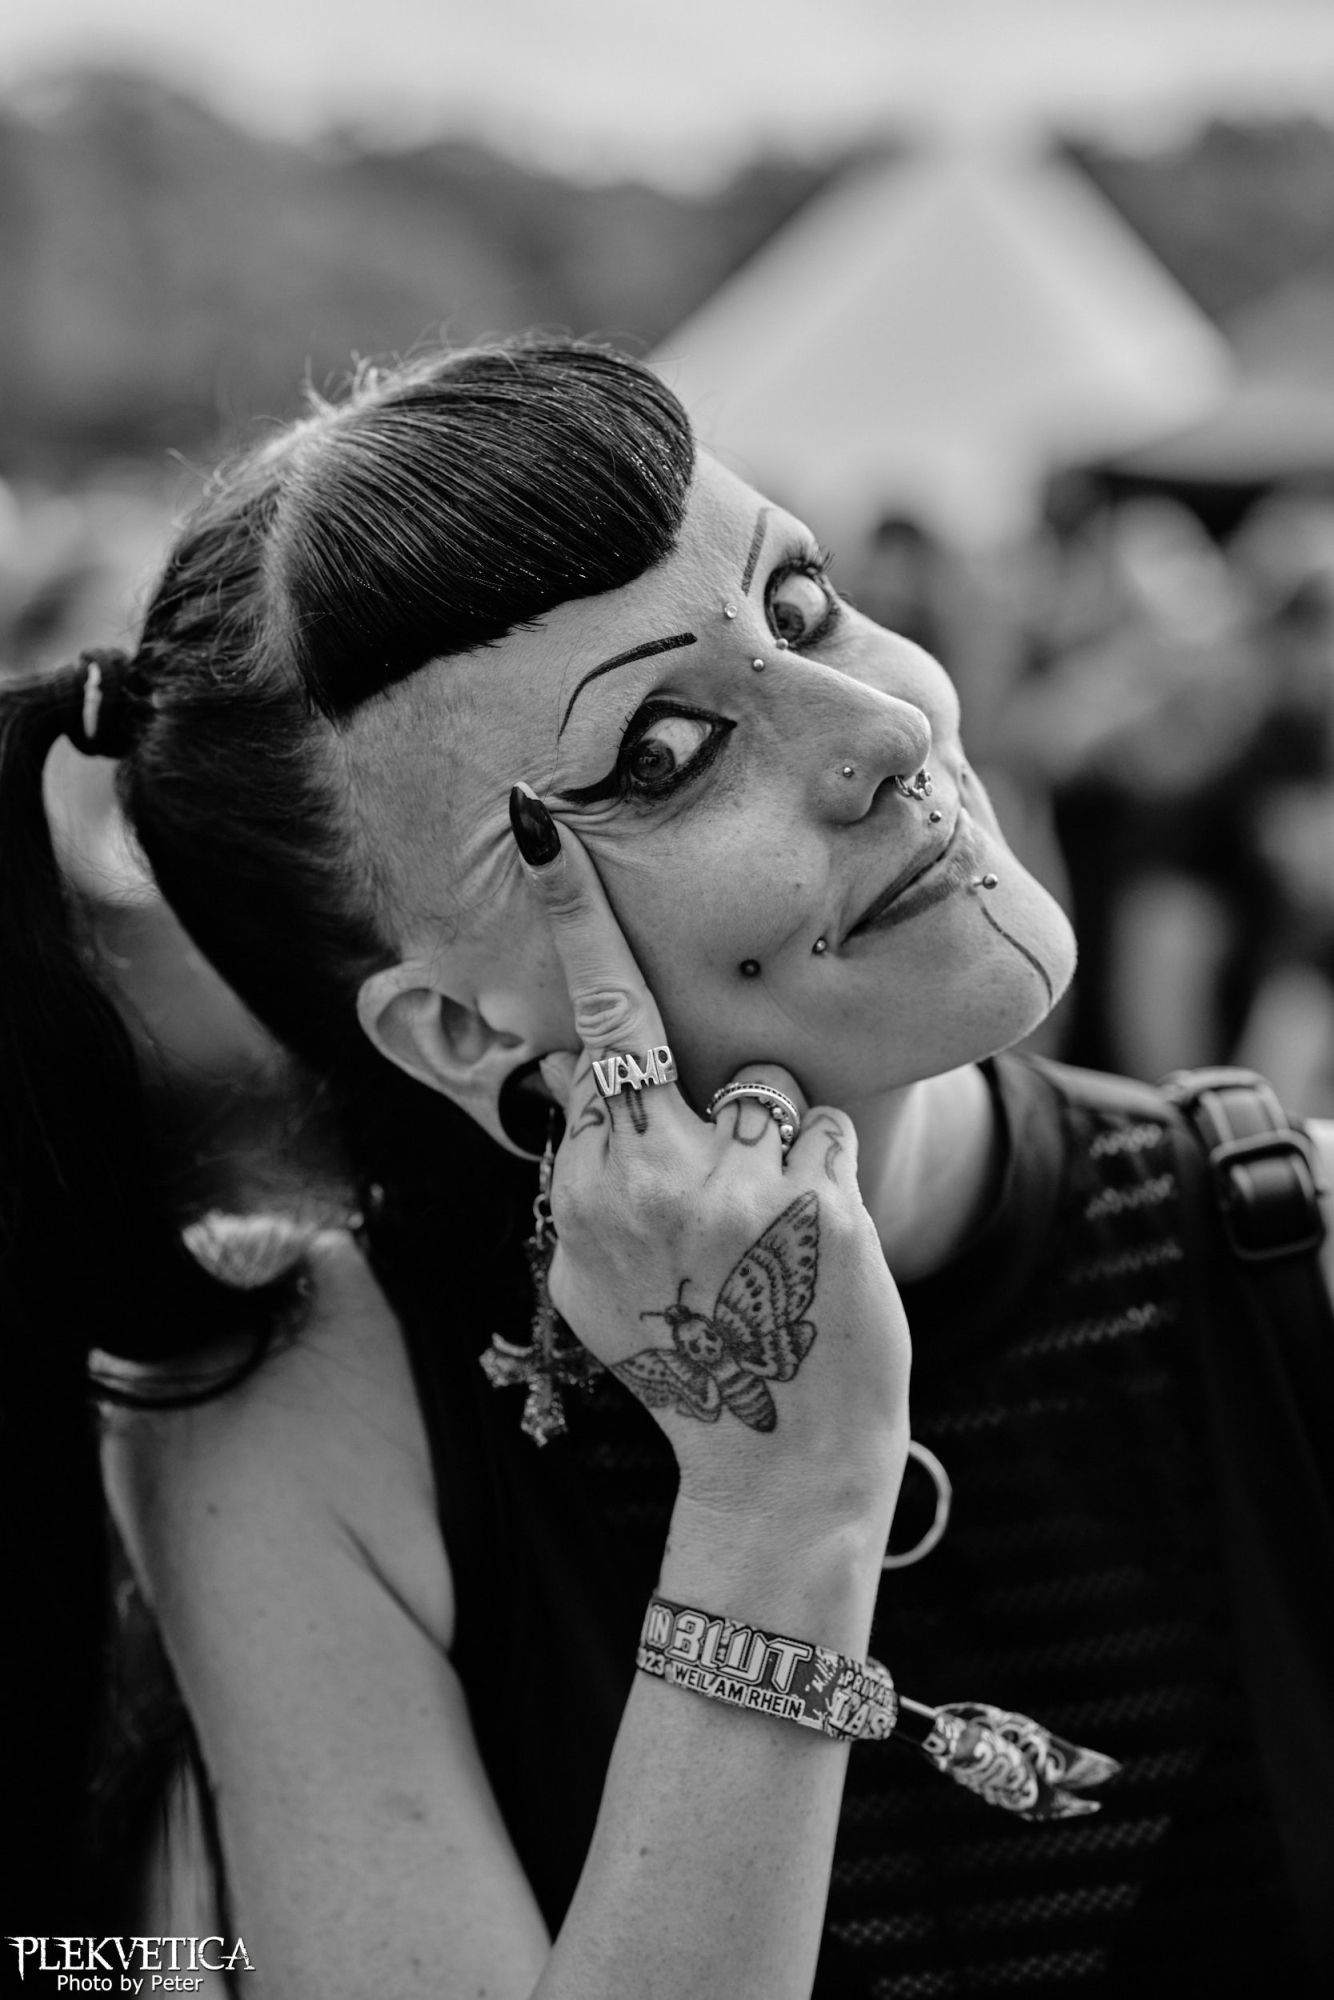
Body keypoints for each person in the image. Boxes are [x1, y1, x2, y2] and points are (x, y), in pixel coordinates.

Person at [2, 339, 1330, 1999]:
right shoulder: (312, 1423)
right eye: (662, 750)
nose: (884, 726)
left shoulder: (1295, 1248)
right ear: (458, 1029)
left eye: (801, 605)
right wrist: (778, 1502)